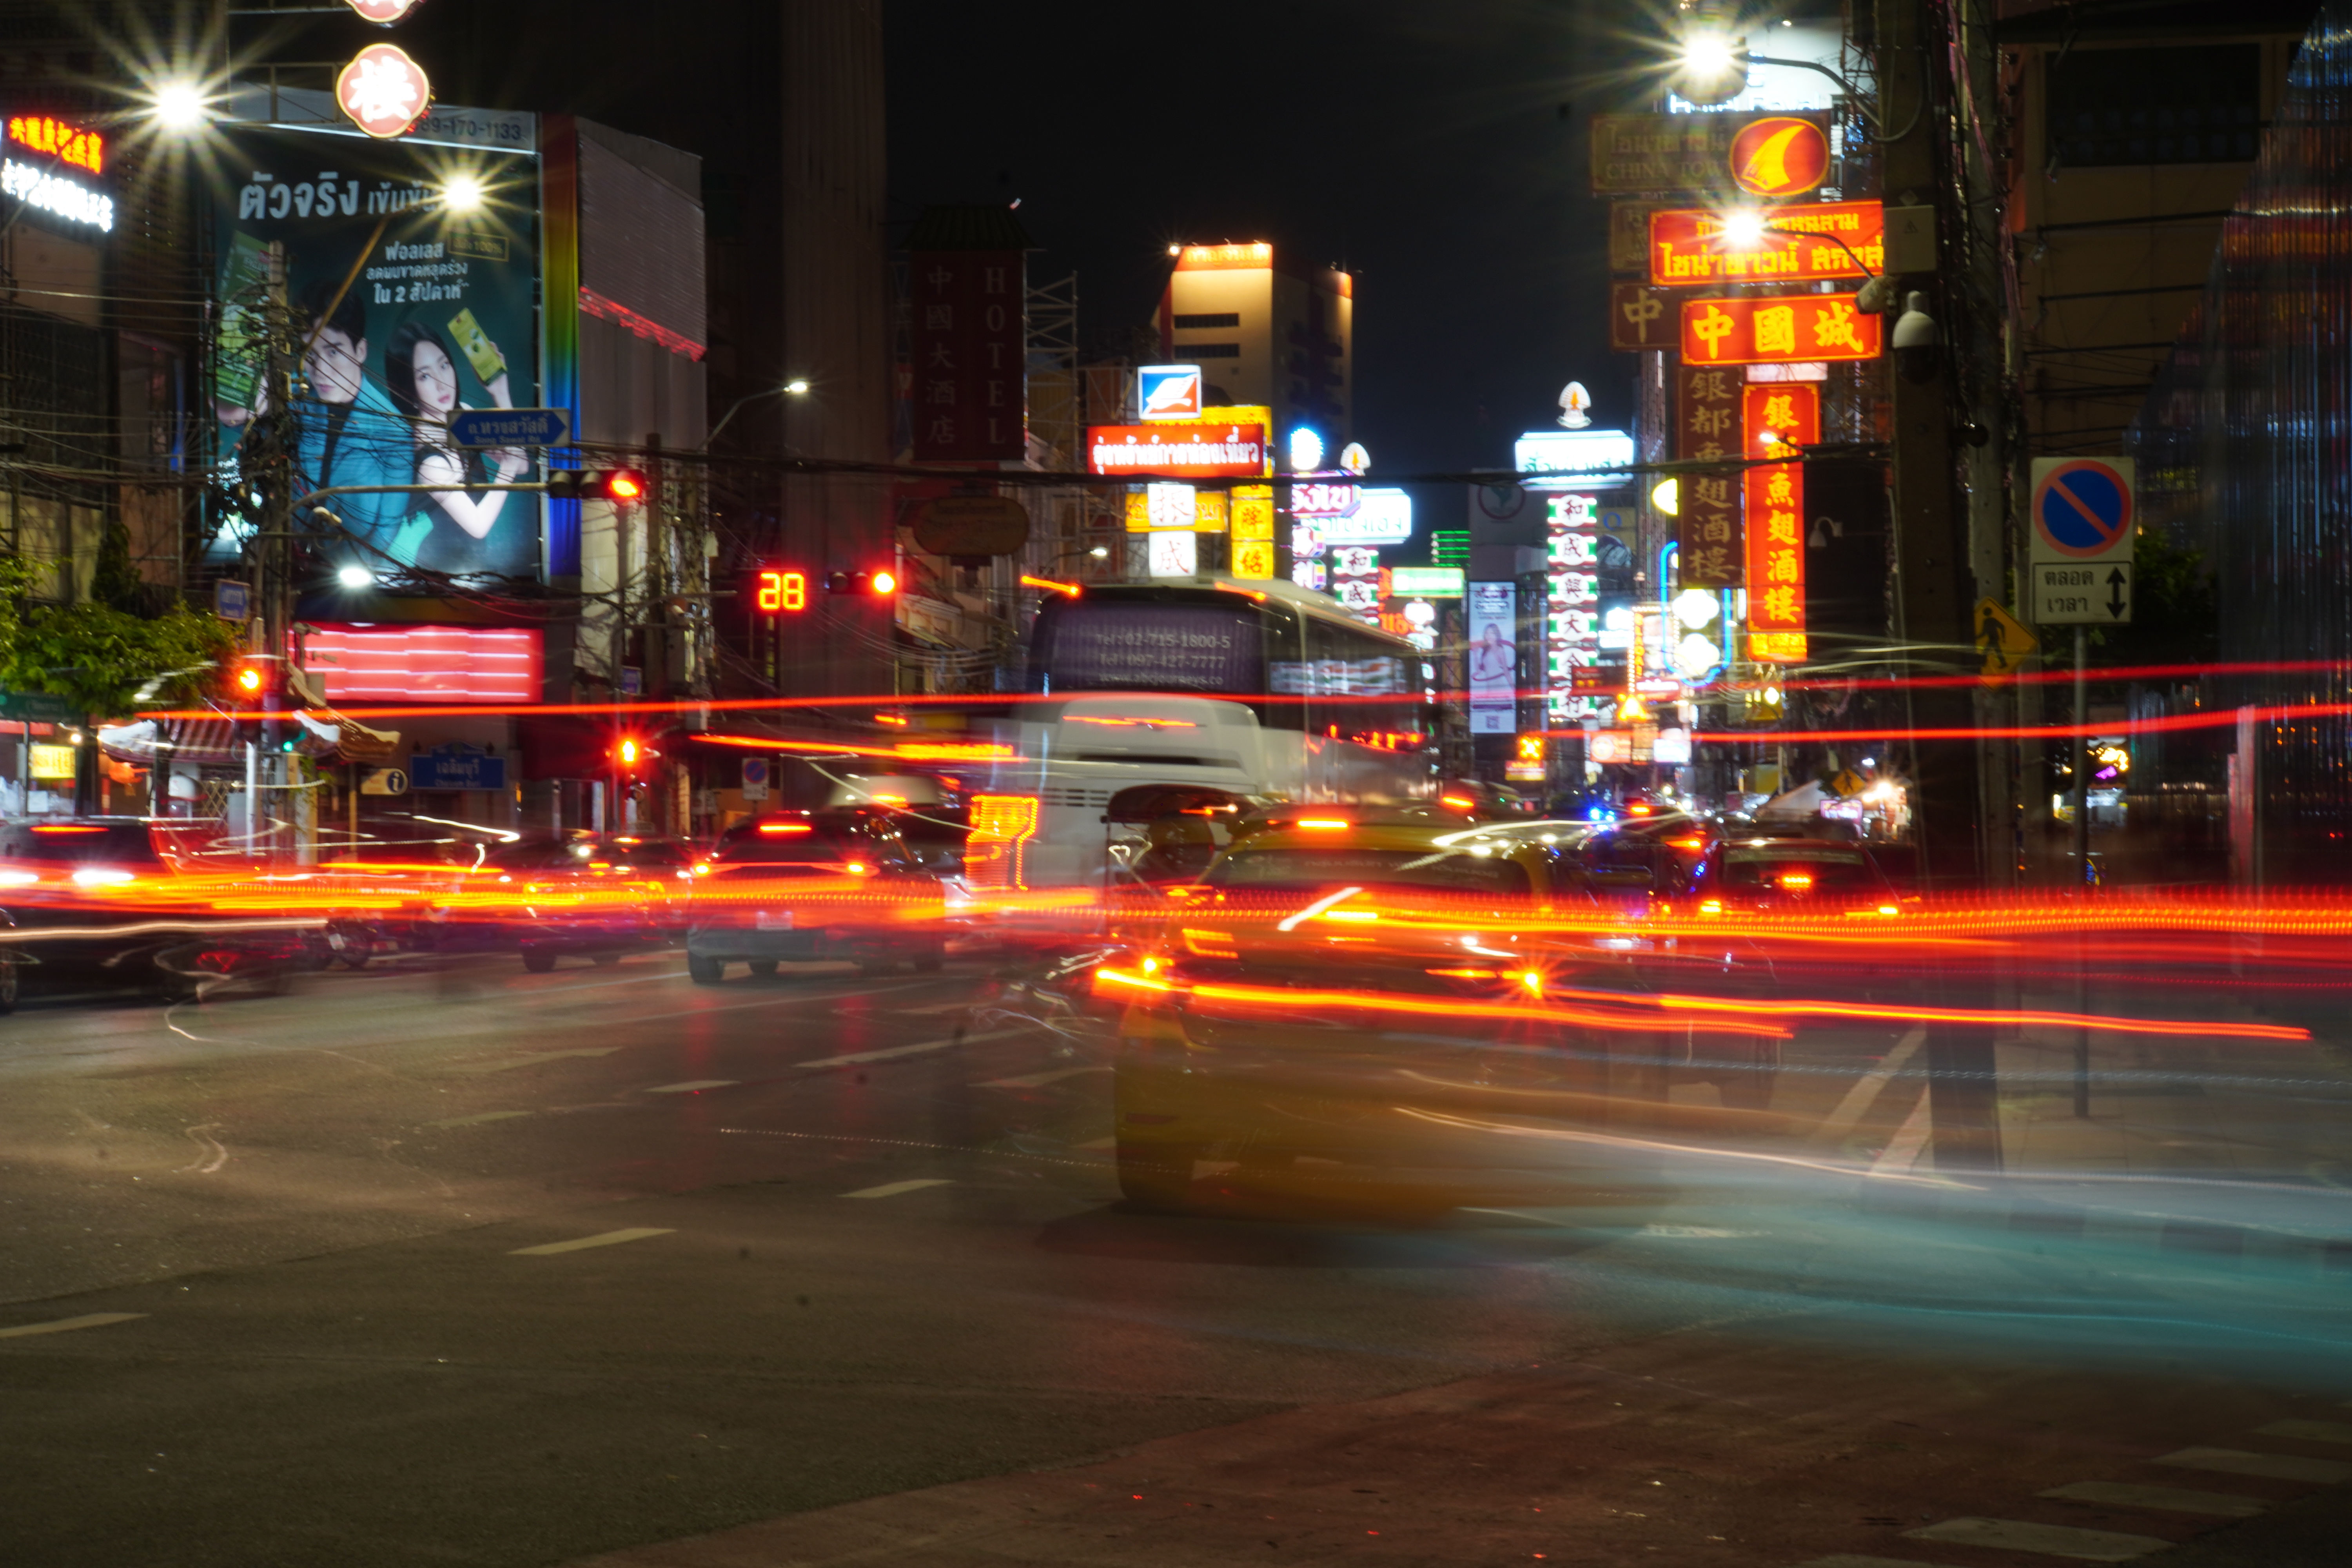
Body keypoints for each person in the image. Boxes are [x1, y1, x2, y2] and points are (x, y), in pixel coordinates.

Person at [382, 321, 527, 577]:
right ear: (408, 390)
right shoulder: (429, 462)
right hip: (434, 576)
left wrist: (500, 393)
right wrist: (506, 468)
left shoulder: (462, 415)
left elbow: (522, 463)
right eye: (425, 376)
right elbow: (478, 525)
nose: (442, 383)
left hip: (472, 570)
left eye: (444, 365)